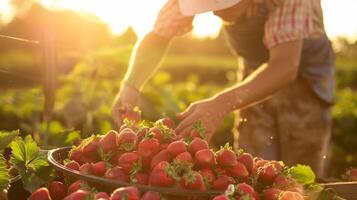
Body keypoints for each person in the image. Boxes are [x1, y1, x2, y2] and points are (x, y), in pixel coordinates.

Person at [112, 0, 334, 177]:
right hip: (254, 77)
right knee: (252, 170)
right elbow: (159, 36)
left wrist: (220, 104)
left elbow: (285, 66)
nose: (215, 13)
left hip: (306, 80)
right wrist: (131, 85)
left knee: (298, 174)